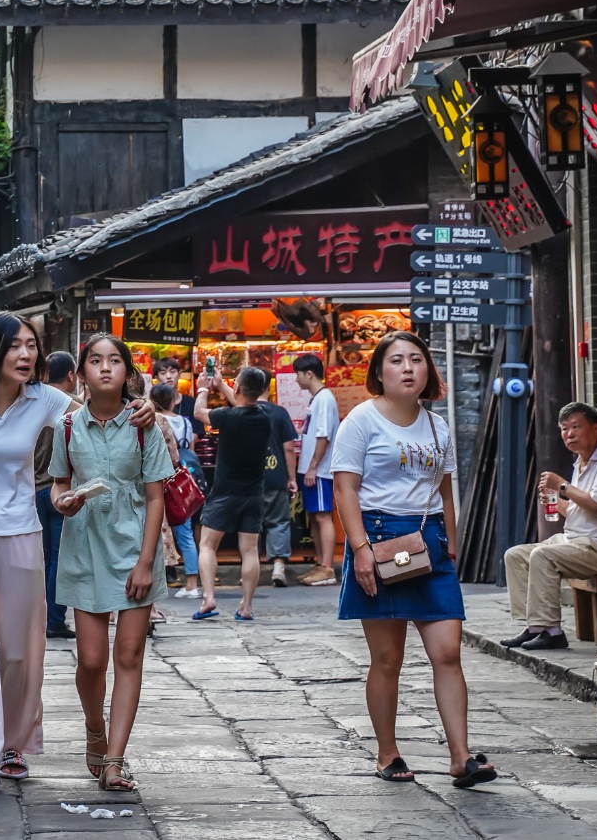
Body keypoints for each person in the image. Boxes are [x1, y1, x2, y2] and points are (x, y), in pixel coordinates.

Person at [0, 314, 154, 797]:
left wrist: (140, 405)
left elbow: (96, 409)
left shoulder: (43, 399)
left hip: (21, 533)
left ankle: (13, 743)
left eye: (31, 346)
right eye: (15, 346)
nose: (26, 355)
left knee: (21, 652)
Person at [334, 331, 492, 788]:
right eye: (397, 360)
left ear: (428, 370)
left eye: (417, 360)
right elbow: (345, 489)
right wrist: (360, 550)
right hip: (377, 537)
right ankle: (387, 752)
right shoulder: (360, 421)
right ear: (379, 372)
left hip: (429, 542)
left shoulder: (437, 426)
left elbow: (444, 492)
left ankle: (461, 757)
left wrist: (453, 542)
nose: (408, 368)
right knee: (387, 658)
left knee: (448, 651)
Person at [49, 333, 169, 794]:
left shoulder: (144, 425)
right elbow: (59, 483)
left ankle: (116, 758)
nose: (104, 368)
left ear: (127, 372)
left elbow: (156, 497)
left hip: (135, 548)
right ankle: (94, 729)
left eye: (114, 360)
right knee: (92, 659)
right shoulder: (67, 426)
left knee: (128, 655)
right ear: (81, 373)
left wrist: (145, 562)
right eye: (95, 361)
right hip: (85, 547)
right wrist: (63, 502)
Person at [501, 402, 597, 649]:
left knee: (543, 556)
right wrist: (556, 501)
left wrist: (562, 485)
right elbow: (577, 510)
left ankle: (553, 632)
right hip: (576, 541)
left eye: (576, 427)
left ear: (595, 429)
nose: (569, 434)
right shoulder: (580, 462)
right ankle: (535, 627)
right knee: (516, 555)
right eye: (564, 429)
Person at [192, 366, 294, 619]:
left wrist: (205, 388)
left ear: (238, 388)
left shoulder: (227, 417)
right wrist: (223, 385)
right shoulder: (265, 416)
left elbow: (198, 412)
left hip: (225, 492)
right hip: (254, 494)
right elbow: (242, 401)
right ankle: (246, 607)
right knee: (250, 550)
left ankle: (208, 598)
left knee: (207, 545)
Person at [33, 351, 82, 637]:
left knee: (44, 559)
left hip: (34, 490)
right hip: (59, 490)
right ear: (72, 376)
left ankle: (43, 619)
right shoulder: (69, 409)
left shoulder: (34, 402)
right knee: (57, 561)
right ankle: (54, 620)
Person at [152, 384, 203, 599]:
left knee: (153, 534)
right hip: (177, 481)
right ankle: (192, 582)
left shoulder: (152, 420)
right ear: (173, 400)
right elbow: (189, 450)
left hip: (155, 481)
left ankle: (157, 583)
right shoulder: (185, 422)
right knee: (185, 532)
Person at [296, 354, 340, 586]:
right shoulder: (317, 399)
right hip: (310, 469)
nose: (296, 379)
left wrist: (313, 467)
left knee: (323, 516)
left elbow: (324, 436)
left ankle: (327, 567)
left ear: (309, 374)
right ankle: (320, 562)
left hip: (320, 470)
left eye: (298, 374)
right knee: (314, 516)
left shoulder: (324, 399)